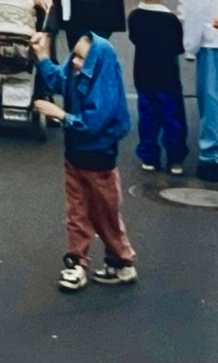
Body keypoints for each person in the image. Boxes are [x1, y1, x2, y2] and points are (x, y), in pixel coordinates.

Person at [31, 30, 136, 292]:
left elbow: (92, 123)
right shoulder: (86, 75)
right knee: (77, 213)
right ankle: (77, 263)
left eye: (81, 59)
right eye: (74, 56)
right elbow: (58, 78)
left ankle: (121, 260)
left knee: (104, 214)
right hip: (77, 156)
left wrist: (59, 114)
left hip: (98, 159)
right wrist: (42, 55)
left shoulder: (105, 89)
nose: (75, 63)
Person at [127, 0, 187, 173]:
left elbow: (134, 39)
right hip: (167, 76)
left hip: (143, 74)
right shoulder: (171, 20)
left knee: (147, 117)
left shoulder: (135, 16)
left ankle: (149, 157)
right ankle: (175, 159)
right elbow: (178, 47)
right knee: (172, 117)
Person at [181, 0, 218, 182]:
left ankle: (212, 156)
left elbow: (196, 9)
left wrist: (190, 45)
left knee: (213, 101)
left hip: (212, 42)